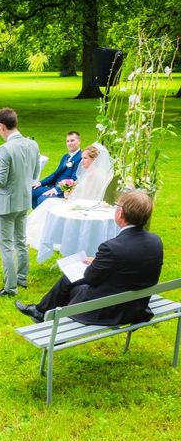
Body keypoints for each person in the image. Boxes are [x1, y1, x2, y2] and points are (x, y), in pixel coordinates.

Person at [16, 191, 163, 325]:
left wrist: (94, 264)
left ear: (120, 214)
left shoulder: (112, 247)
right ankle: (40, 312)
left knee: (70, 280)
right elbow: (130, 265)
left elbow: (91, 278)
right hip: (137, 306)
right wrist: (100, 262)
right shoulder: (155, 241)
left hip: (110, 311)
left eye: (117, 206)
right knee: (69, 280)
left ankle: (42, 314)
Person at [0, 108, 40, 296]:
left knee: (6, 246)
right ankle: (22, 278)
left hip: (6, 204)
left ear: (1, 126)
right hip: (24, 200)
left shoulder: (5, 148)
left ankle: (10, 287)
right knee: (21, 241)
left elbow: (1, 180)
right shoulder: (33, 144)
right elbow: (34, 175)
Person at [26, 144, 114, 249]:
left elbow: (87, 196)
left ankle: (50, 235)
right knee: (48, 203)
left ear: (94, 159)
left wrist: (68, 197)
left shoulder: (94, 175)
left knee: (49, 204)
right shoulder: (90, 172)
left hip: (84, 205)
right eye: (82, 158)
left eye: (85, 158)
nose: (82, 161)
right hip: (80, 201)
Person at [32, 131, 82, 208]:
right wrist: (40, 183)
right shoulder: (65, 156)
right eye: (67, 141)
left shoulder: (81, 158)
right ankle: (39, 216)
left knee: (41, 199)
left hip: (65, 191)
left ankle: (46, 217)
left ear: (79, 141)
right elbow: (56, 173)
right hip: (53, 186)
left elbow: (74, 179)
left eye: (72, 140)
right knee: (31, 191)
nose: (69, 143)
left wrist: (55, 190)